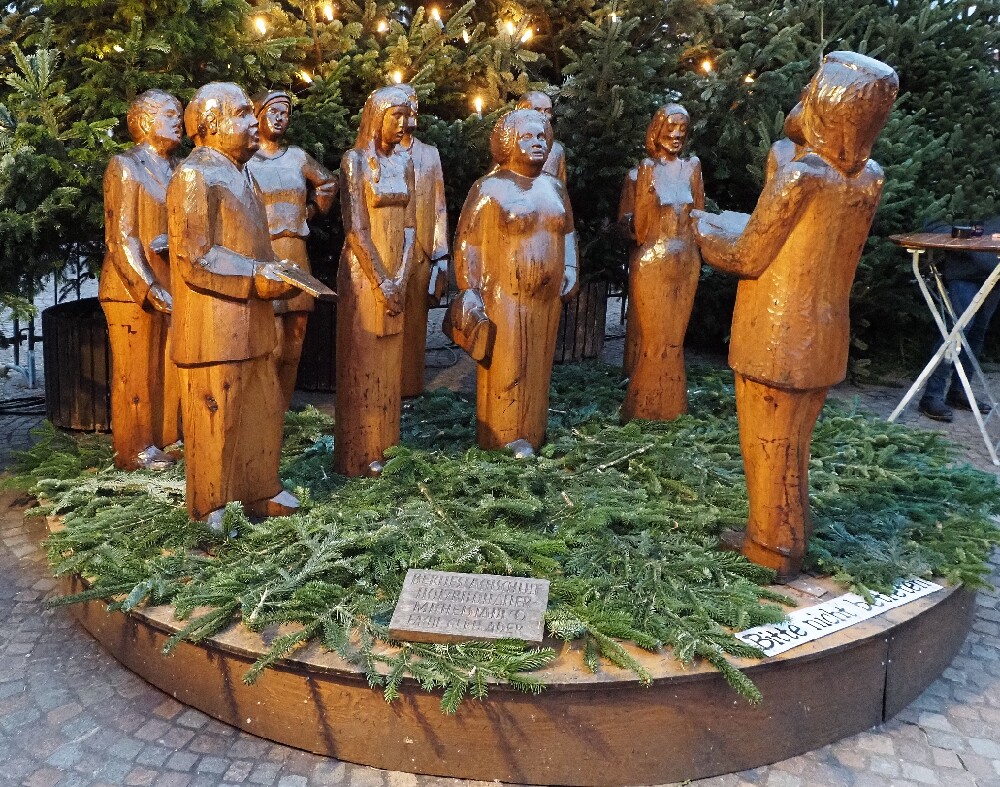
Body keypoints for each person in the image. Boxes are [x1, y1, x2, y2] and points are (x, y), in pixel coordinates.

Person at [692, 52, 899, 579]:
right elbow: (803, 239)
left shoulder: (803, 176)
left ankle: (771, 548)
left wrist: (701, 228)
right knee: (793, 446)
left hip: (777, 330)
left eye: (813, 90)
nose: (803, 96)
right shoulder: (869, 177)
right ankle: (792, 531)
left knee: (769, 446)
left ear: (829, 105)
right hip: (825, 331)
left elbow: (747, 256)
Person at [167, 82, 300, 525]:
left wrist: (276, 271)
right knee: (215, 417)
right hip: (214, 328)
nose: (253, 122)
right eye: (242, 114)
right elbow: (194, 257)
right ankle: (210, 505)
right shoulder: (195, 175)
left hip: (252, 323)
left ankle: (261, 488)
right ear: (210, 124)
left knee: (262, 410)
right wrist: (257, 275)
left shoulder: (243, 172)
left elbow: (249, 242)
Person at [453, 108, 578, 455]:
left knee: (538, 368)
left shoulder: (554, 187)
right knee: (508, 368)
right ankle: (502, 438)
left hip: (547, 300)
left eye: (541, 137)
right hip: (503, 296)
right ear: (508, 144)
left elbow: (568, 232)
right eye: (527, 137)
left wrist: (570, 267)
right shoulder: (490, 188)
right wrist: (469, 290)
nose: (537, 143)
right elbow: (468, 242)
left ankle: (533, 432)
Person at [333, 86, 417, 476]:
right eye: (395, 115)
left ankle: (387, 444)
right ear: (376, 117)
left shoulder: (405, 162)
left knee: (390, 363)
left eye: (406, 115)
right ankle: (359, 453)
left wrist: (401, 276)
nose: (403, 123)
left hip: (397, 275)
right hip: (364, 276)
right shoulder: (355, 162)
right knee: (363, 360)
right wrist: (382, 282)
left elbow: (411, 227)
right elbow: (356, 230)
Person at [100, 89, 184, 471]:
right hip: (131, 288)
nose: (178, 121)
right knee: (135, 372)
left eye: (179, 113)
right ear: (146, 121)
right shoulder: (125, 166)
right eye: (170, 114)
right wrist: (148, 288)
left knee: (168, 367)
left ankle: (167, 438)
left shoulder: (180, 169)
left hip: (172, 283)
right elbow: (121, 238)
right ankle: (134, 449)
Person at [247, 91, 338, 411]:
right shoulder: (246, 161)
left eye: (285, 113)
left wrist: (310, 212)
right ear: (257, 115)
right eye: (274, 111)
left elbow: (328, 183)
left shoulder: (297, 157)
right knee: (271, 342)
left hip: (296, 251)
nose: (280, 118)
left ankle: (284, 411)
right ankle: (266, 411)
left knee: (296, 340)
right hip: (265, 252)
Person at [621, 103, 705, 422]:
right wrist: (645, 191)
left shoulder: (692, 167)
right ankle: (642, 409)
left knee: (674, 341)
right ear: (657, 130)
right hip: (653, 261)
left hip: (687, 262)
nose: (676, 134)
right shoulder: (645, 169)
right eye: (671, 127)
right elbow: (640, 229)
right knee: (654, 340)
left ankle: (673, 407)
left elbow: (699, 218)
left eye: (682, 129)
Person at [396, 84, 450, 398]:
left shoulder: (430, 154)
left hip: (423, 249)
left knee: (416, 322)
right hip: (391, 248)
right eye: (406, 104)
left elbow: (439, 205)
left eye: (415, 103)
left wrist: (441, 254)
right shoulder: (378, 155)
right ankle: (387, 385)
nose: (412, 109)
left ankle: (411, 386)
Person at [917, 219, 1000, 422]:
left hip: (995, 278)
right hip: (966, 275)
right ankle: (931, 396)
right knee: (956, 332)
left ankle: (959, 392)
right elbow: (932, 225)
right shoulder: (979, 217)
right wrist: (973, 236)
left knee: (977, 334)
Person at [515, 91, 567, 184]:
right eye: (536, 110)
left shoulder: (557, 150)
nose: (543, 115)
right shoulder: (513, 146)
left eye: (547, 111)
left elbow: (560, 187)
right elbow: (495, 180)